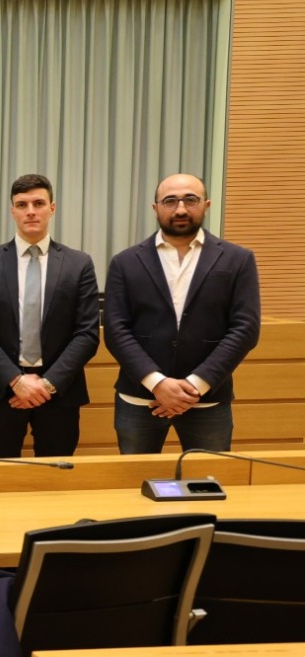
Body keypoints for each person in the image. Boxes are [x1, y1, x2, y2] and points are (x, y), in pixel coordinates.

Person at [103, 173, 260, 453]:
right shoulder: (125, 262)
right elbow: (116, 330)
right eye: (170, 201)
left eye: (190, 200)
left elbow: (245, 329)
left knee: (209, 477)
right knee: (135, 477)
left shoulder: (238, 259)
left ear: (206, 205)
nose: (180, 209)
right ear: (155, 208)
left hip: (207, 398)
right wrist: (158, 384)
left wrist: (195, 385)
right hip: (140, 398)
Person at [0, 174, 100, 458]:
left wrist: (46, 385)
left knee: (55, 477)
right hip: (2, 390)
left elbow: (86, 333)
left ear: (52, 208)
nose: (30, 211)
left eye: (38, 203)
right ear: (12, 211)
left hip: (60, 390)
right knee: (1, 475)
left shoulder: (79, 264)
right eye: (22, 204)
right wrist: (17, 381)